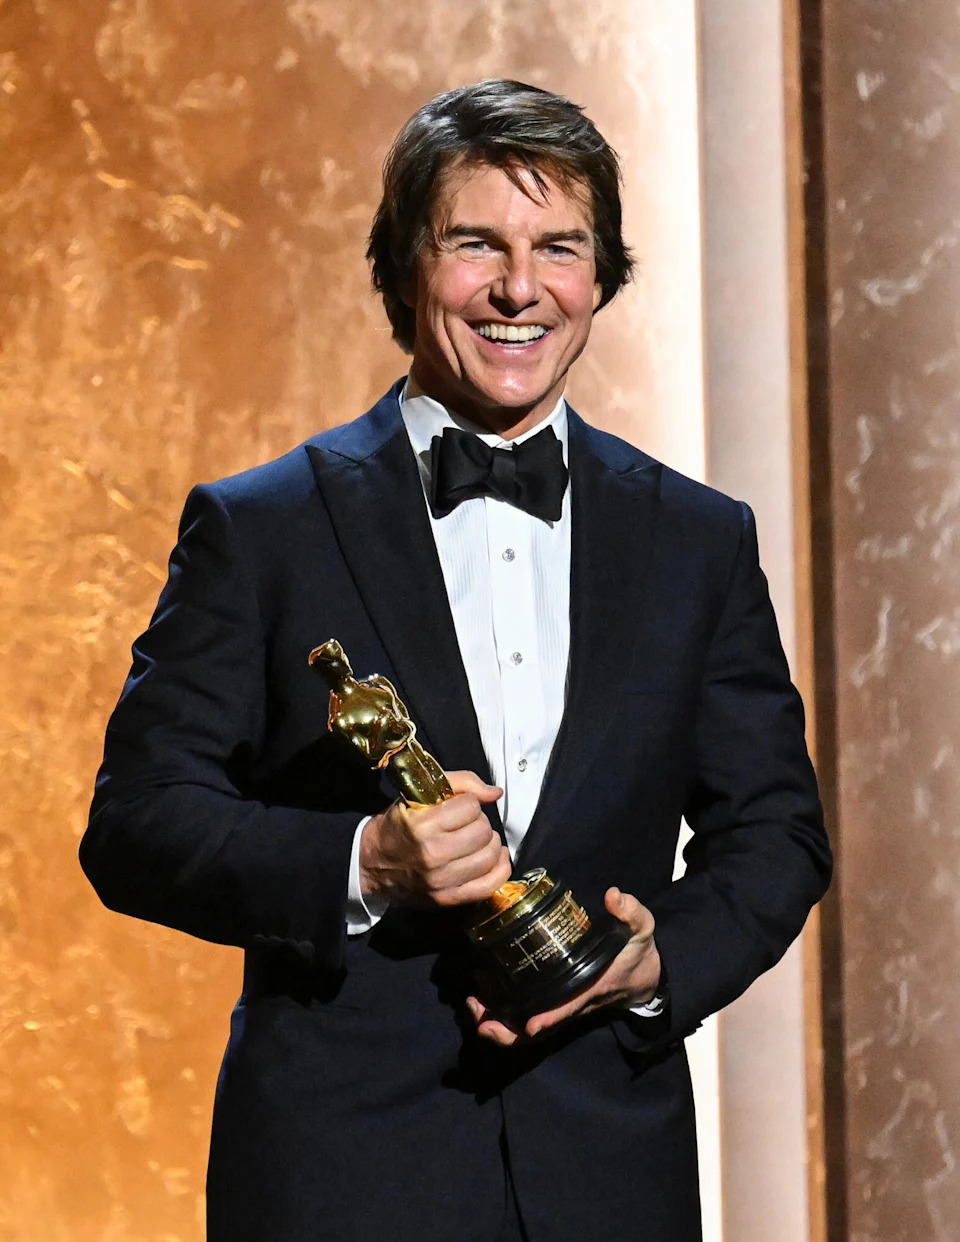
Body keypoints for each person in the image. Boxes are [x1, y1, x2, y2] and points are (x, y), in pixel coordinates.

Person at [81, 79, 832, 1242]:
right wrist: (364, 862)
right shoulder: (264, 526)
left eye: (559, 248)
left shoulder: (700, 539)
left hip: (612, 1176)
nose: (520, 288)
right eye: (477, 244)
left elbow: (778, 832)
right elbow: (137, 822)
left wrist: (654, 965)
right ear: (403, 266)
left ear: (602, 277)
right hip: (340, 1176)